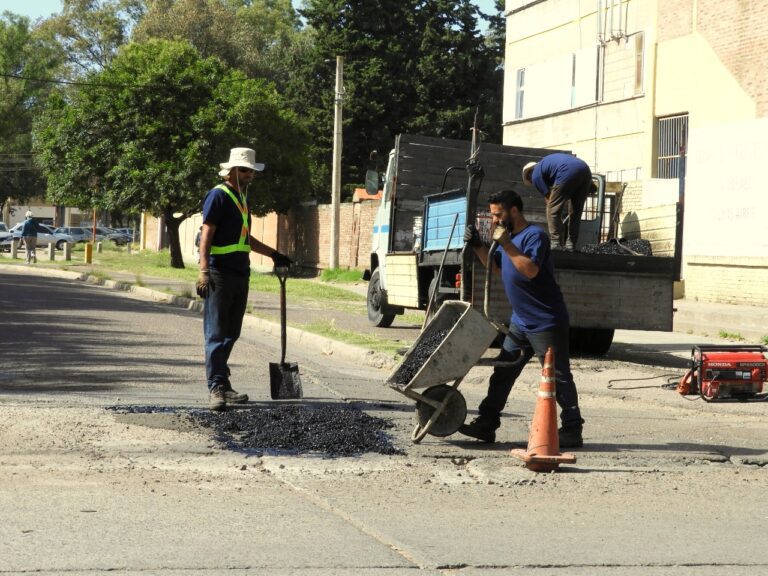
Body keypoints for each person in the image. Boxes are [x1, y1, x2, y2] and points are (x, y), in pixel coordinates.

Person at [460, 189, 584, 448]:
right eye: (492, 215)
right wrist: (478, 246)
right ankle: (486, 423)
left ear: (514, 211)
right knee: (503, 371)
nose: (494, 220)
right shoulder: (508, 238)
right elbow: (495, 267)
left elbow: (530, 270)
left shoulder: (534, 236)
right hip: (520, 321)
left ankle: (572, 429)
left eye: (498, 214)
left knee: (557, 376)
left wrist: (506, 243)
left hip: (545, 320)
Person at [196, 147, 293, 411]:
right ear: (231, 171)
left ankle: (223, 383)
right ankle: (216, 388)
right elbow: (207, 234)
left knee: (231, 333)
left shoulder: (241, 198)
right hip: (218, 274)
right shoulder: (218, 195)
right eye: (244, 170)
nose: (249, 174)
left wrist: (274, 254)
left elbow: (244, 239)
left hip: (240, 273)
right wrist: (203, 270)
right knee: (216, 333)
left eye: (251, 170)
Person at [521, 153, 593, 251]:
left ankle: (555, 242)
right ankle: (571, 244)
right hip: (586, 171)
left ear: (529, 174)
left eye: (530, 181)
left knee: (552, 210)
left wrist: (556, 217)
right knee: (575, 212)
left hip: (567, 172)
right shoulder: (547, 165)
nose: (532, 182)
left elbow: (550, 199)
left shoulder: (535, 175)